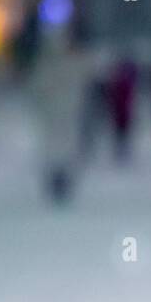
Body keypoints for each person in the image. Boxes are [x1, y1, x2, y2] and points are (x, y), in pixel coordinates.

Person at [28, 16, 92, 203]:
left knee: (58, 148)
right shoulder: (61, 62)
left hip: (62, 113)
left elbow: (36, 87)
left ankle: (59, 180)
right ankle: (59, 180)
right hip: (62, 113)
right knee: (61, 148)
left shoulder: (51, 63)